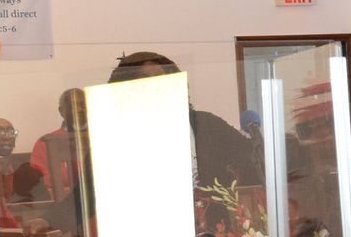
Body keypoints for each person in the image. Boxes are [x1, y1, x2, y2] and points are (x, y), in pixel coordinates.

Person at [109, 50, 261, 188]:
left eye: (162, 80)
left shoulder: (207, 125)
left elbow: (253, 166)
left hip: (208, 209)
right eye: (144, 81)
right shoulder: (114, 135)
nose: (155, 87)